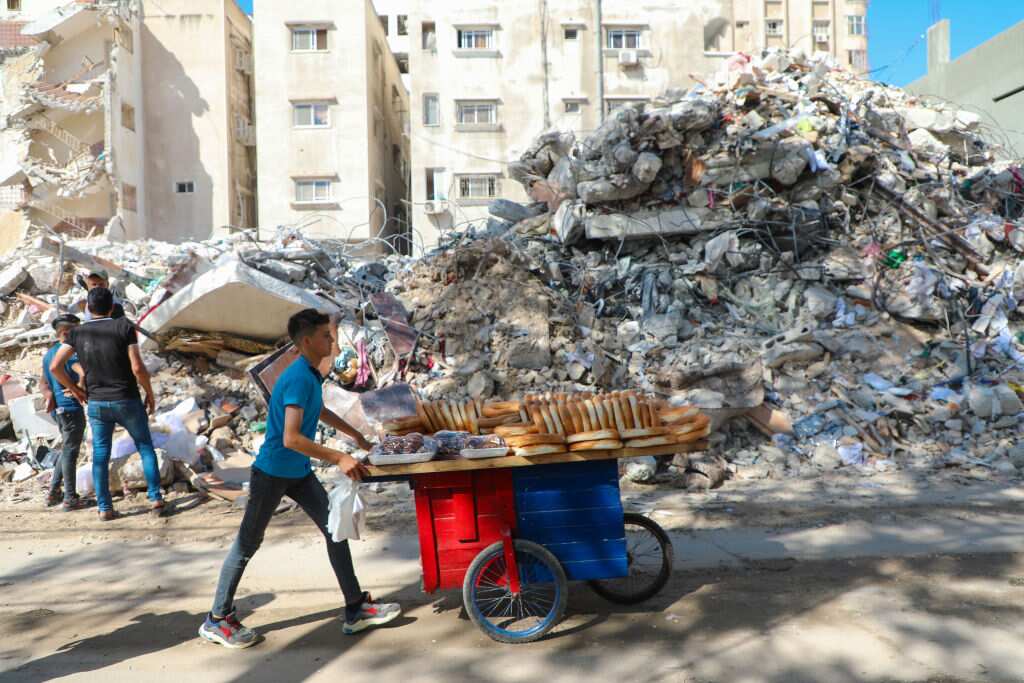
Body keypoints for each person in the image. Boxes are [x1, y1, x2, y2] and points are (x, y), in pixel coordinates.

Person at [198, 309, 400, 649]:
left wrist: (357, 437)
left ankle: (355, 608)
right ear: (307, 341)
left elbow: (317, 409)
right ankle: (217, 619)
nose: (332, 341)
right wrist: (339, 456)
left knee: (335, 530)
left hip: (298, 472)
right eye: (325, 336)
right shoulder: (297, 378)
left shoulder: (309, 375)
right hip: (273, 473)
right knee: (248, 544)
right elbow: (291, 438)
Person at [50, 287, 164, 521]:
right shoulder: (124, 327)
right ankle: (156, 499)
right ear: (112, 306)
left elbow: (55, 367)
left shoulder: (77, 333)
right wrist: (149, 393)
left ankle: (105, 508)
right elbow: (138, 368)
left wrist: (75, 390)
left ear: (88, 309)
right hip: (127, 399)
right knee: (144, 447)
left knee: (100, 455)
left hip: (97, 404)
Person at [40, 314, 89, 511]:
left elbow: (43, 382)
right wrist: (79, 388)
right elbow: (82, 371)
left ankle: (54, 492)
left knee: (66, 449)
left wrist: (49, 395)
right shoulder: (68, 352)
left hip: (59, 411)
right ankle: (70, 497)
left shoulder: (49, 354)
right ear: (66, 333)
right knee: (70, 451)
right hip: (70, 408)